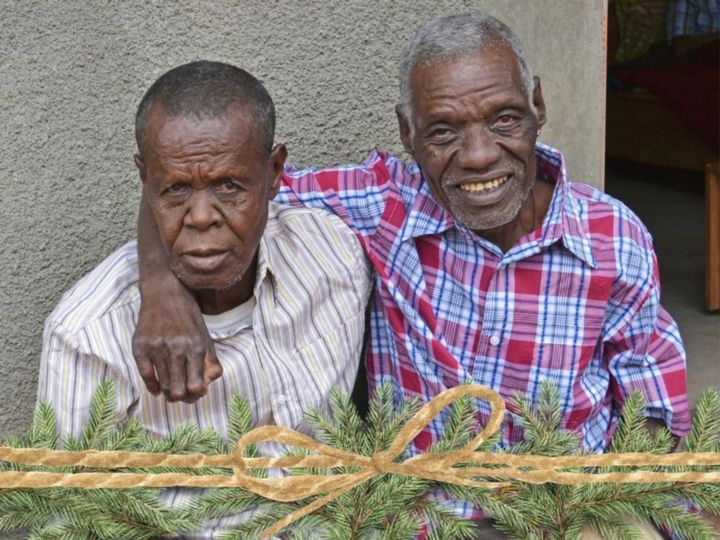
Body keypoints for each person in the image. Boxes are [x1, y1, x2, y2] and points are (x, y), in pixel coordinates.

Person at [133, 12, 690, 532]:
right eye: (443, 131)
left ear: (538, 105)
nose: (477, 156)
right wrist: (161, 287)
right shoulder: (383, 205)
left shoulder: (612, 236)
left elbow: (652, 394)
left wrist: (615, 512)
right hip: (420, 521)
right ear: (408, 132)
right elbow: (205, 181)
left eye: (504, 119)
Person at [36, 60, 371, 538]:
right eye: (175, 190)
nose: (200, 217)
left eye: (228, 186)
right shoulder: (88, 334)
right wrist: (159, 284)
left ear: (275, 171)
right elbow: (64, 520)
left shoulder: (332, 254)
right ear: (144, 179)